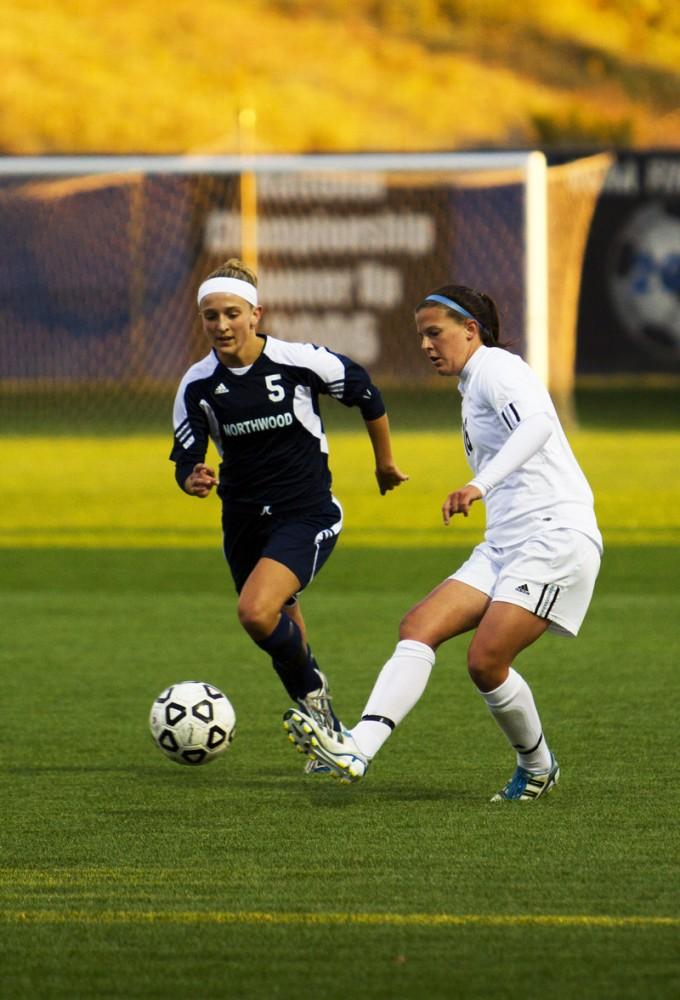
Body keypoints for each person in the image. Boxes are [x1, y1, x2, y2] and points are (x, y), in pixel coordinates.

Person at [284, 284, 602, 801]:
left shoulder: (498, 368)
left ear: (470, 330)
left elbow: (540, 425)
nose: (428, 345)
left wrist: (479, 484)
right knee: (419, 625)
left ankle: (538, 768)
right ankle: (358, 748)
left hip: (554, 536)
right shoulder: (474, 383)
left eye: (436, 333)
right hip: (507, 543)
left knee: (485, 661)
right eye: (421, 336)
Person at [170, 258, 408, 758]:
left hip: (307, 512)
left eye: (232, 313)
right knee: (275, 621)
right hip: (241, 521)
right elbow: (186, 457)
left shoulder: (298, 360)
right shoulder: (196, 385)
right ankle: (327, 733)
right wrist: (193, 477)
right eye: (210, 316)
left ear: (257, 314)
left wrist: (384, 464)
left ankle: (313, 688)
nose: (221, 325)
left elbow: (365, 391)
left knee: (256, 613)